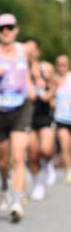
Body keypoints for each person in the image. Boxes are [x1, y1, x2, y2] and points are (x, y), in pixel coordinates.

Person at [0, 14, 34, 222]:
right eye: (1, 28)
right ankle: (4, 183)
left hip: (20, 107)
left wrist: (32, 84)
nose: (6, 31)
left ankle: (16, 200)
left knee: (18, 156)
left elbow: (30, 72)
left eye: (10, 27)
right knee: (3, 160)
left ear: (16, 29)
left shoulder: (25, 50)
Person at [24, 39, 56, 199]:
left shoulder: (45, 69)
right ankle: (37, 184)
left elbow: (53, 89)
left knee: (46, 149)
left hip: (44, 116)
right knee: (33, 154)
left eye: (33, 49)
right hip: (27, 117)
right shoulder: (21, 70)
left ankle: (48, 164)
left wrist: (48, 92)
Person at [53, 53, 71, 183]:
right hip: (61, 118)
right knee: (64, 146)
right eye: (59, 64)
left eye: (64, 64)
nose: (62, 66)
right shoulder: (53, 80)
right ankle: (69, 171)